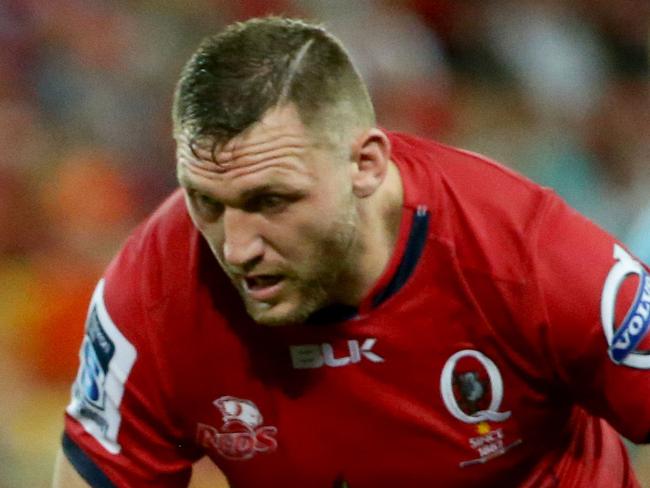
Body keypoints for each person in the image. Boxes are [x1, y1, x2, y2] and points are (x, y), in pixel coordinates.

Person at [52, 16, 650, 488]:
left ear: (366, 165)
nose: (236, 247)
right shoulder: (153, 295)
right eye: (206, 202)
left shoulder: (534, 259)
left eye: (272, 199)